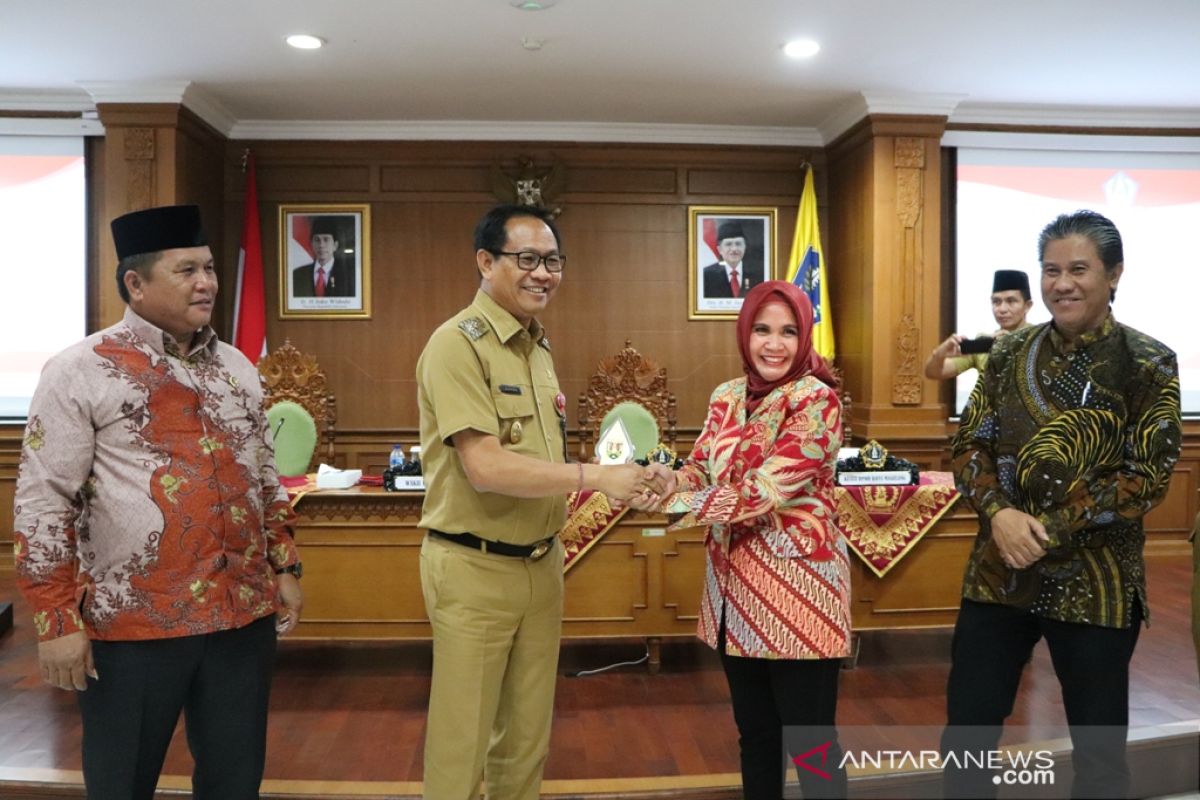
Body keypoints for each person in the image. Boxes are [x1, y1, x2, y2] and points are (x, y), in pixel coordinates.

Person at [13, 204, 303, 800]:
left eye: (210, 268)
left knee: (235, 779)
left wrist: (286, 565)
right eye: (187, 270)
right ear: (136, 284)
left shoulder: (237, 367)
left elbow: (265, 478)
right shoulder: (80, 370)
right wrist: (56, 620)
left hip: (240, 617)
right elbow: (44, 503)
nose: (207, 283)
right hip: (135, 624)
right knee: (123, 781)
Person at [415, 203, 673, 800]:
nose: (543, 273)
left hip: (541, 563)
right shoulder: (457, 344)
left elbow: (539, 458)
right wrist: (595, 477)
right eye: (526, 259)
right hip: (473, 566)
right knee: (463, 742)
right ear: (485, 261)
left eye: (553, 261)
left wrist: (633, 480)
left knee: (526, 740)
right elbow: (483, 467)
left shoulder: (536, 347)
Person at [941, 210, 1181, 799]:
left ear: (1114, 273)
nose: (1061, 283)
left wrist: (1042, 529)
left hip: (1098, 581)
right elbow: (968, 443)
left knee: (1098, 756)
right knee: (967, 735)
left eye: (1078, 269)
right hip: (999, 571)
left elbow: (1145, 478)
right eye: (1050, 270)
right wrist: (1000, 514)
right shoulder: (1007, 353)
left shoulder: (1147, 362)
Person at [660, 280, 850, 799]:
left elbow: (767, 490)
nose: (774, 343)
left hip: (799, 592)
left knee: (811, 744)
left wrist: (675, 506)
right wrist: (662, 482)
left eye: (789, 332)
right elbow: (700, 467)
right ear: (745, 333)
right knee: (756, 735)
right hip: (732, 594)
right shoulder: (725, 395)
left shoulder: (817, 400)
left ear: (804, 337)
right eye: (762, 329)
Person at [924, 269, 1034, 379]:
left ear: (1027, 306)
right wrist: (940, 353)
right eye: (996, 302)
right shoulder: (984, 343)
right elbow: (933, 372)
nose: (1002, 309)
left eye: (1011, 301)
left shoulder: (1039, 339)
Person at [291, 215, 355, 298]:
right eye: (317, 240)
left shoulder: (348, 275)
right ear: (311, 244)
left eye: (326, 239)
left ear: (335, 245)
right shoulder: (298, 275)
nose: (321, 245)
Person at [702, 220, 765, 299]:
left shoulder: (758, 275)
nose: (734, 249)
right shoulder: (706, 275)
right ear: (719, 249)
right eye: (728, 244)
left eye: (738, 244)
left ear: (745, 247)